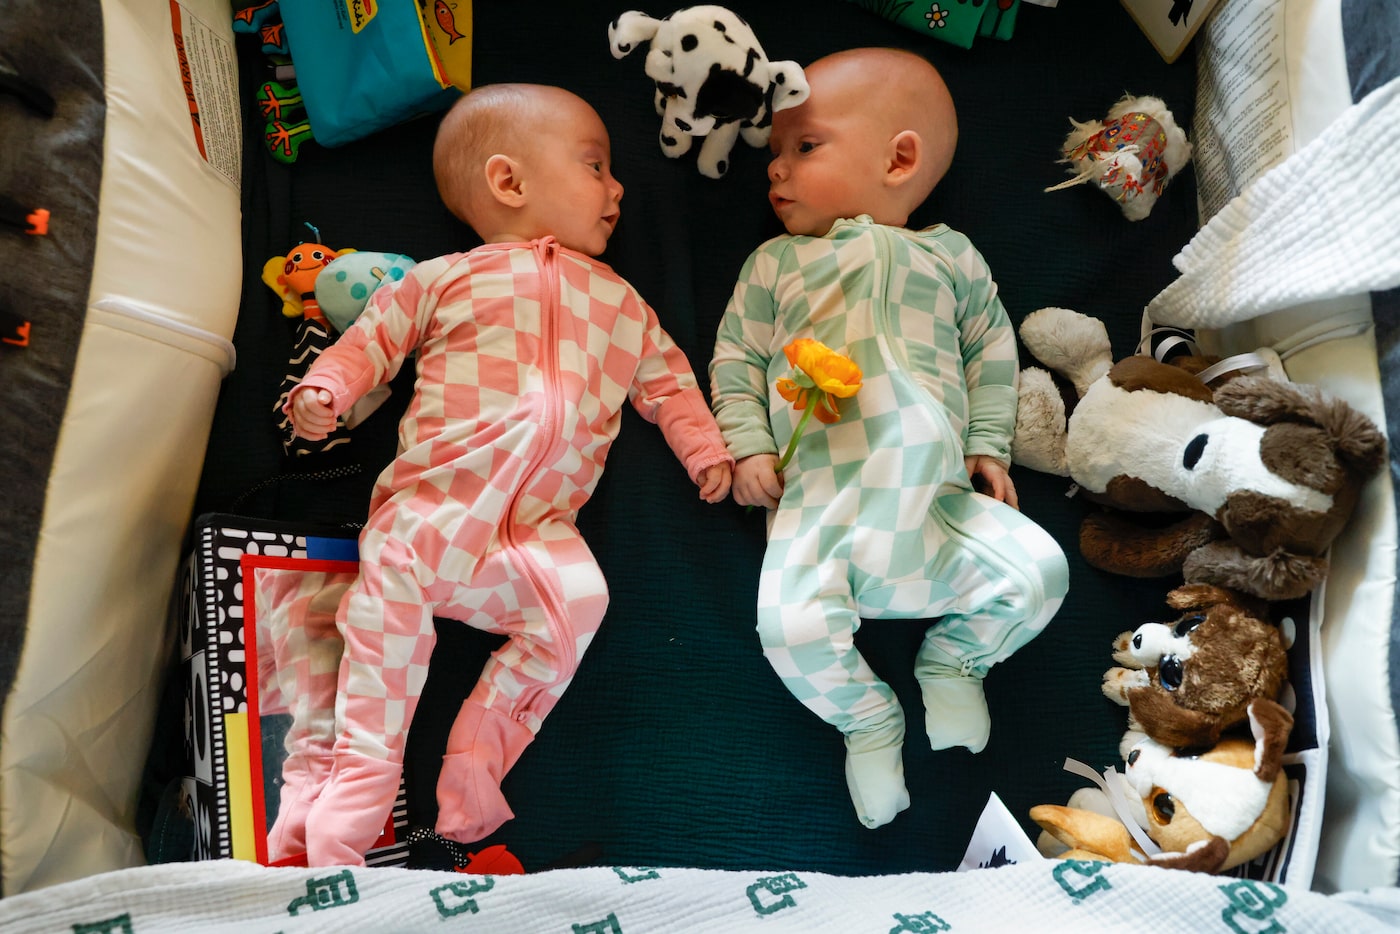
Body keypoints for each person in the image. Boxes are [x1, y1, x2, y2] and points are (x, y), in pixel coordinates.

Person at [287, 83, 735, 866]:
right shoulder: (439, 278)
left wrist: (703, 449)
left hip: (531, 540)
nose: (618, 187)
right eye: (595, 165)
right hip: (428, 512)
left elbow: (669, 384)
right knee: (383, 622)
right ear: (508, 182)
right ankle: (360, 781)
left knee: (579, 602)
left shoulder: (622, 301)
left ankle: (476, 765)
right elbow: (369, 343)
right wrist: (326, 389)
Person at [709, 48, 1069, 830]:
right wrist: (747, 448)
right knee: (788, 627)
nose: (774, 170)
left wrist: (987, 443)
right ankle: (867, 719)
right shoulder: (776, 264)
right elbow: (736, 355)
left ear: (898, 158)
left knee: (1041, 571)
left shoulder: (950, 256)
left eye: (803, 147)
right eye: (774, 154)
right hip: (821, 509)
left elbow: (991, 347)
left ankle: (954, 659)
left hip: (939, 505)